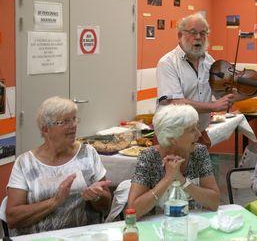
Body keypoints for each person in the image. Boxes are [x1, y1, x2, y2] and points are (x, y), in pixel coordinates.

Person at [156, 13, 257, 145]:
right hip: (173, 136)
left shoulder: (210, 63)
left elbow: (226, 97)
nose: (198, 37)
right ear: (180, 35)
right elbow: (175, 103)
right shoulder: (168, 63)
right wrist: (213, 106)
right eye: (193, 32)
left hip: (199, 134)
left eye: (203, 33)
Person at [6, 96, 111, 235]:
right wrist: (54, 202)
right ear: (45, 130)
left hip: (84, 236)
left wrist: (96, 197)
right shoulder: (25, 163)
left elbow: (106, 204)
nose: (73, 125)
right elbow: (13, 218)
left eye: (74, 119)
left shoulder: (88, 153)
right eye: (65, 121)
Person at [127, 104, 219, 219]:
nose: (199, 134)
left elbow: (214, 202)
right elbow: (133, 211)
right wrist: (167, 179)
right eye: (192, 130)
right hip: (156, 229)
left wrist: (182, 180)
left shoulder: (198, 152)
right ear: (172, 138)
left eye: (197, 127)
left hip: (192, 225)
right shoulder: (149, 157)